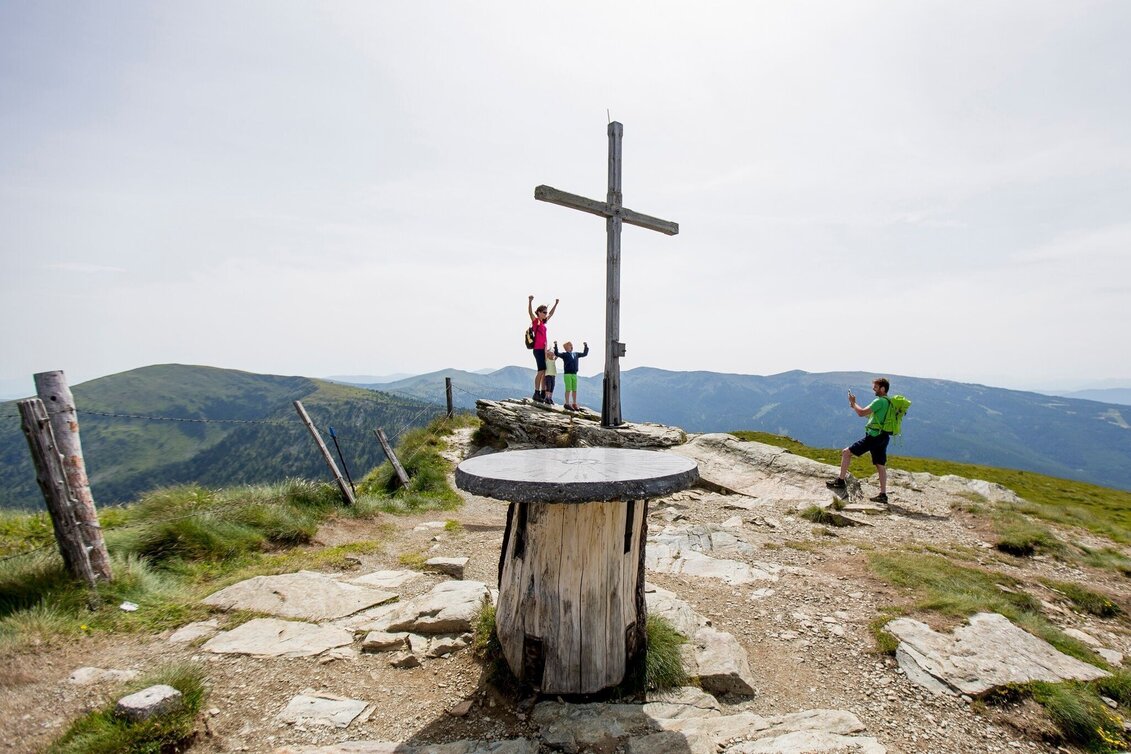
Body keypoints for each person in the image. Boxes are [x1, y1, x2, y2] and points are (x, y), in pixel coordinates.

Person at [826, 377, 893, 504]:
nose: (873, 389)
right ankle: (883, 494)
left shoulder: (879, 401)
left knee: (846, 452)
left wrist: (854, 403)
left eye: (876, 387)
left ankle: (840, 481)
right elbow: (872, 416)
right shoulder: (889, 402)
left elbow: (862, 413)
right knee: (880, 465)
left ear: (883, 388)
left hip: (873, 436)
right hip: (884, 436)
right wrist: (854, 406)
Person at [527, 296, 558, 403]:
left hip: (543, 350)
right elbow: (530, 313)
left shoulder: (543, 322)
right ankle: (536, 393)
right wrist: (530, 301)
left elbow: (551, 314)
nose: (545, 314)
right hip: (538, 349)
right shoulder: (536, 321)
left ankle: (543, 393)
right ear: (539, 312)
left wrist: (556, 304)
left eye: (546, 312)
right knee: (540, 371)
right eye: (544, 312)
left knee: (544, 371)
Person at [554, 340, 589, 411]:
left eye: (568, 346)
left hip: (574, 374)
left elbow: (584, 354)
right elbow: (557, 353)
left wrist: (585, 346)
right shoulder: (564, 354)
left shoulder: (576, 354)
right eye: (565, 347)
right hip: (567, 374)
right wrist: (556, 345)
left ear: (571, 346)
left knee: (574, 390)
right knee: (568, 389)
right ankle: (567, 403)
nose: (567, 348)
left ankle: (574, 403)